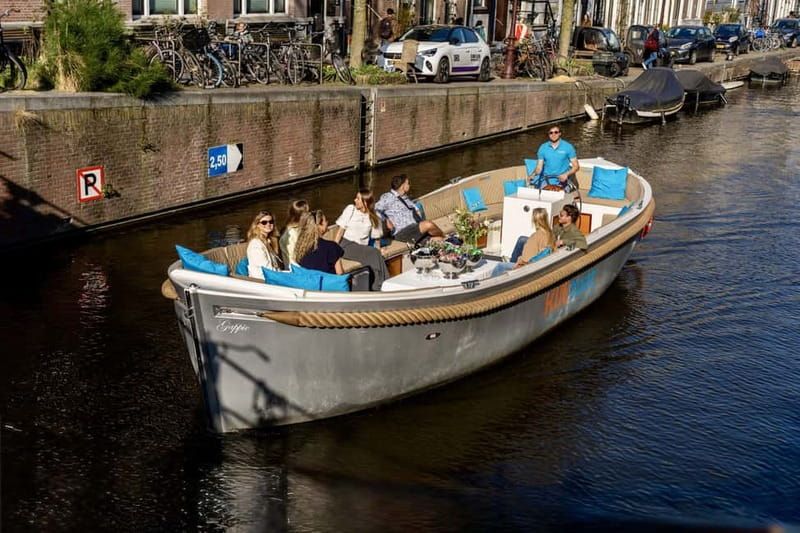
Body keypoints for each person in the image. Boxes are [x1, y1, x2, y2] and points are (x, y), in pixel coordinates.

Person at [334, 189, 389, 290]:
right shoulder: (350, 209)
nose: (355, 200)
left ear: (365, 202)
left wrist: (379, 249)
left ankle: (379, 285)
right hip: (345, 245)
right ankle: (383, 285)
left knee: (375, 253)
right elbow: (340, 230)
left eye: (358, 198)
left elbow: (376, 238)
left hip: (361, 247)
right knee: (373, 253)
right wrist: (333, 248)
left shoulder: (374, 216)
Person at [375, 174, 445, 245]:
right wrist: (386, 220)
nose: (409, 185)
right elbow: (375, 210)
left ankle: (441, 238)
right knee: (428, 225)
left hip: (414, 230)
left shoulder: (405, 198)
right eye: (408, 183)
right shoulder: (388, 197)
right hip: (402, 232)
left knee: (439, 240)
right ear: (403, 186)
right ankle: (444, 236)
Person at [295, 210, 345, 275]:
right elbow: (340, 274)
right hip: (327, 281)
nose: (327, 222)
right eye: (325, 220)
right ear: (319, 225)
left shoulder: (301, 247)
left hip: (308, 280)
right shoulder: (332, 247)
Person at [532, 126, 579, 192]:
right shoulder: (543, 147)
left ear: (560, 133)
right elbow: (539, 168)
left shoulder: (568, 147)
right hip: (546, 179)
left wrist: (566, 174)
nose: (553, 134)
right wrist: (532, 175)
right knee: (543, 194)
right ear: (548, 134)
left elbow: (576, 166)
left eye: (556, 132)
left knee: (559, 194)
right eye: (551, 133)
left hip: (563, 180)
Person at [246, 210, 283, 279]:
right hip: (262, 281)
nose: (268, 224)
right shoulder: (256, 244)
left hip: (273, 276)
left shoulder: (269, 240)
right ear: (257, 225)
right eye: (264, 222)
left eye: (271, 222)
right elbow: (267, 270)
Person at [279, 199, 309, 265]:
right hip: (295, 268)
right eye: (308, 213)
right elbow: (294, 258)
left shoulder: (299, 229)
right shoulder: (290, 233)